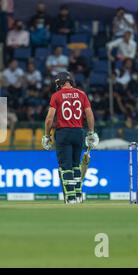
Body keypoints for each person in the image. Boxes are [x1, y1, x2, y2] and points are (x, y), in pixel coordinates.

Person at [42, 72, 99, 204]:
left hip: (63, 133)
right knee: (76, 166)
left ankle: (71, 198)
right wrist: (91, 132)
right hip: (79, 132)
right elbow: (89, 115)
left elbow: (49, 119)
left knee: (65, 167)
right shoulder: (82, 94)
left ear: (60, 83)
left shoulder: (56, 96)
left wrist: (46, 135)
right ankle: (78, 196)